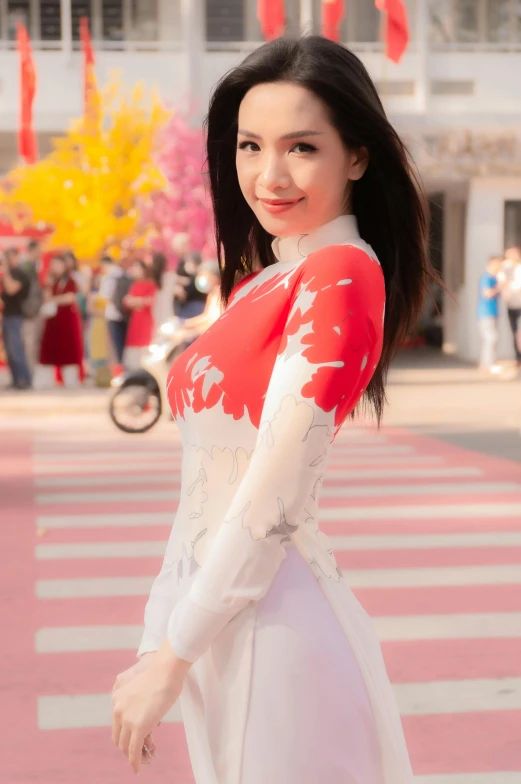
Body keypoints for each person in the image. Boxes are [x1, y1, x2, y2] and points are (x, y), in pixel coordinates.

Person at [111, 36, 437, 783]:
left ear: (357, 156)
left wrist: (173, 651)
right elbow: (202, 486)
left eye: (301, 148)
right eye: (250, 145)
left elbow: (271, 497)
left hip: (272, 628)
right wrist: (161, 637)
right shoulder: (266, 281)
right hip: (214, 624)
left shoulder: (342, 276)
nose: (269, 174)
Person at [34, 254, 84, 389]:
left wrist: (55, 300)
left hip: (66, 319)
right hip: (52, 320)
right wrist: (49, 285)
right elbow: (46, 298)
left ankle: (71, 380)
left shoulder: (70, 281)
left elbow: (70, 298)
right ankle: (46, 380)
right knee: (49, 348)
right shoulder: (50, 281)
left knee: (67, 349)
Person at [0, 247, 32, 389]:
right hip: (6, 315)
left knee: (16, 348)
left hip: (16, 316)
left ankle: (24, 379)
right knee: (9, 350)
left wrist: (5, 272)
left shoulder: (20, 274)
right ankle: (15, 380)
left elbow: (11, 289)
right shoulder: (10, 273)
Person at [122, 259, 157, 370]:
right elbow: (127, 301)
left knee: (145, 342)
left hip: (146, 319)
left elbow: (150, 301)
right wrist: (139, 301)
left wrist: (136, 301)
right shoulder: (135, 285)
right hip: (136, 319)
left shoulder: (151, 284)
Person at [98, 255, 130, 366]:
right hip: (126, 313)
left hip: (113, 314)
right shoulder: (124, 274)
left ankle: (120, 368)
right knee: (125, 342)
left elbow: (105, 297)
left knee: (117, 345)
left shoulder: (107, 277)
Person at [19, 238, 44, 371]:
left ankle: (30, 372)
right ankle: (28, 373)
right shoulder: (26, 266)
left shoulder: (33, 266)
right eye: (39, 250)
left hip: (33, 309)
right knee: (29, 343)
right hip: (28, 310)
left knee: (32, 343)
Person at [173, 233, 208, 318]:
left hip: (196, 302)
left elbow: (201, 280)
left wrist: (187, 281)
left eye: (178, 246)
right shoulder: (181, 262)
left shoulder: (195, 258)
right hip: (183, 303)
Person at [477, 255, 502, 372]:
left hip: (493, 312)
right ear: (492, 264)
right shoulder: (486, 277)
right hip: (486, 313)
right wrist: (499, 288)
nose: (499, 267)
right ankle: (488, 364)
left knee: (492, 338)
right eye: (498, 264)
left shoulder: (495, 278)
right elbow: (487, 293)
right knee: (490, 338)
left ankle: (487, 363)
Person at [497, 245, 521, 366]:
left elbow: (517, 285)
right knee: (514, 332)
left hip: (520, 304)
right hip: (511, 305)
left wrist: (508, 285)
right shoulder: (504, 267)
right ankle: (518, 358)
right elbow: (500, 281)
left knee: (520, 333)